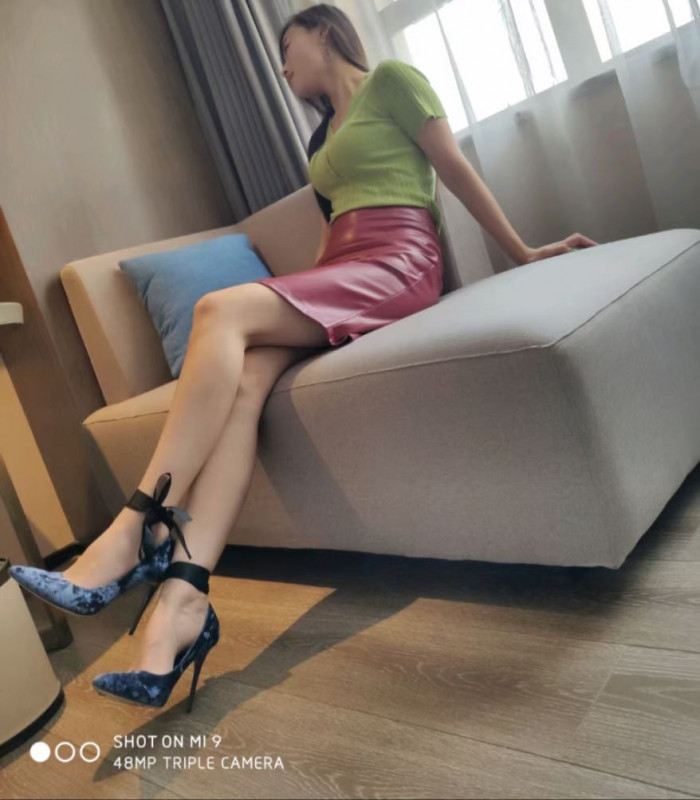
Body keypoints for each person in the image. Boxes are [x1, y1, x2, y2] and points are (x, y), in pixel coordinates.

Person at [9, 3, 597, 712]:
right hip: (342, 268)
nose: (282, 67)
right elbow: (330, 232)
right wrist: (294, 304)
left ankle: (131, 530)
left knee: (217, 309)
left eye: (287, 48)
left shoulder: (392, 81)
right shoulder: (322, 138)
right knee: (247, 381)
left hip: (399, 257)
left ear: (324, 31)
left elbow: (453, 169)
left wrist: (523, 252)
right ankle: (181, 607)